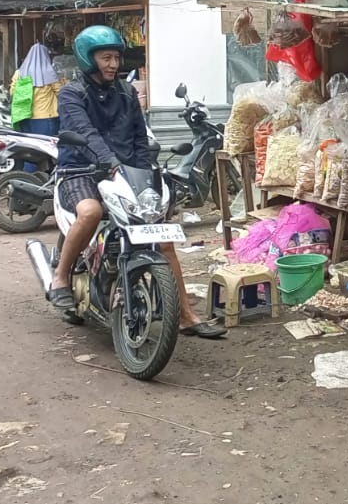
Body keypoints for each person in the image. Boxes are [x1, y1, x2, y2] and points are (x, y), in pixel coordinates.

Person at [47, 26, 225, 339]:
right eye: (106, 58)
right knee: (90, 213)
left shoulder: (127, 93)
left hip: (124, 174)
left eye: (116, 57)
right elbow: (86, 134)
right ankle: (60, 277)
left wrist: (149, 176)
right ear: (89, 60)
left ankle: (185, 314)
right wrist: (111, 163)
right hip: (80, 171)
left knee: (162, 236)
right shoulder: (71, 94)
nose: (113, 64)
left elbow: (139, 138)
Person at [11, 38, 64, 138]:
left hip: (24, 117)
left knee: (29, 149)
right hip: (46, 118)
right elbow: (61, 93)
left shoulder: (19, 73)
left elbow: (12, 92)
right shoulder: (50, 73)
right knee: (47, 150)